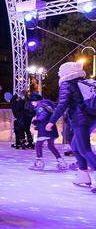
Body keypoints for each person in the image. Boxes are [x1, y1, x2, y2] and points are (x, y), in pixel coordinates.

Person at [46, 61, 96, 192]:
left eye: (60, 71)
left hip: (81, 120)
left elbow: (62, 104)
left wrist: (51, 121)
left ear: (66, 72)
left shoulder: (67, 84)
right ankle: (83, 174)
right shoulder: (83, 83)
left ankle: (86, 173)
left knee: (84, 149)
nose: (59, 74)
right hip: (91, 118)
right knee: (75, 146)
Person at [29, 94, 66, 171]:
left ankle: (39, 162)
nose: (32, 103)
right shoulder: (47, 105)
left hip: (44, 130)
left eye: (32, 101)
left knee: (38, 145)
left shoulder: (40, 106)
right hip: (51, 128)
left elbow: (43, 114)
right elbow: (48, 115)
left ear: (36, 100)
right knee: (51, 146)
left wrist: (37, 121)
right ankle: (61, 162)